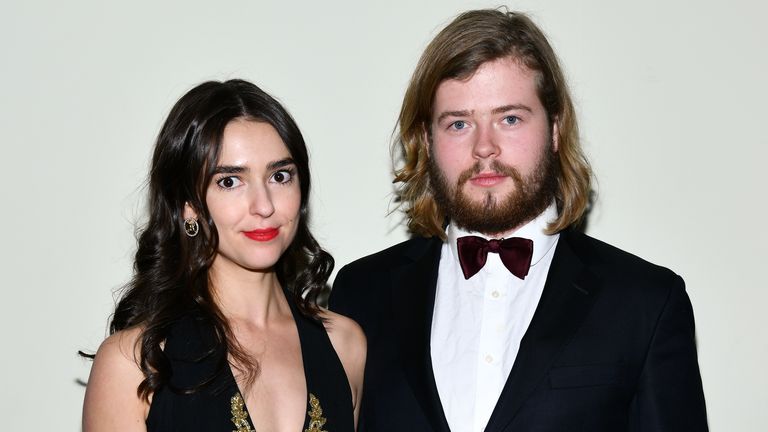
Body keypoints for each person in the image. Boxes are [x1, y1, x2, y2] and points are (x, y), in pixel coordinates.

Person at [329, 9, 707, 431]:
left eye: (509, 119)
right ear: (426, 141)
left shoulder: (646, 303)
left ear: (556, 129)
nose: (484, 147)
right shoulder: (361, 294)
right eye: (458, 124)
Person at [82, 79, 366, 432]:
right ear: (188, 207)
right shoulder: (133, 363)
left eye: (280, 176)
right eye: (230, 181)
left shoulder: (345, 344)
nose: (264, 206)